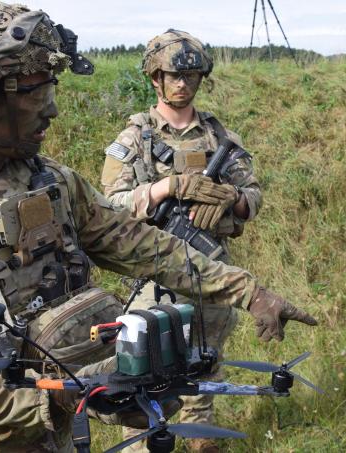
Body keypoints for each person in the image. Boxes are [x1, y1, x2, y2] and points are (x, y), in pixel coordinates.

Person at [0, 4, 316, 451]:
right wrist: (73, 394)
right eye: (35, 90)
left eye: (51, 88)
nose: (51, 108)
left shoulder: (51, 182)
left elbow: (143, 245)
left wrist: (249, 292)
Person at [100, 29, 260, 453]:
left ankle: (200, 444)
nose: (183, 83)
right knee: (144, 380)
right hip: (155, 279)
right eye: (173, 75)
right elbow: (111, 207)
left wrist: (232, 198)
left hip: (211, 272)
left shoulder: (218, 136)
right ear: (155, 77)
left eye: (191, 76)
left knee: (202, 374)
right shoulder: (136, 138)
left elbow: (254, 197)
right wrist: (164, 188)